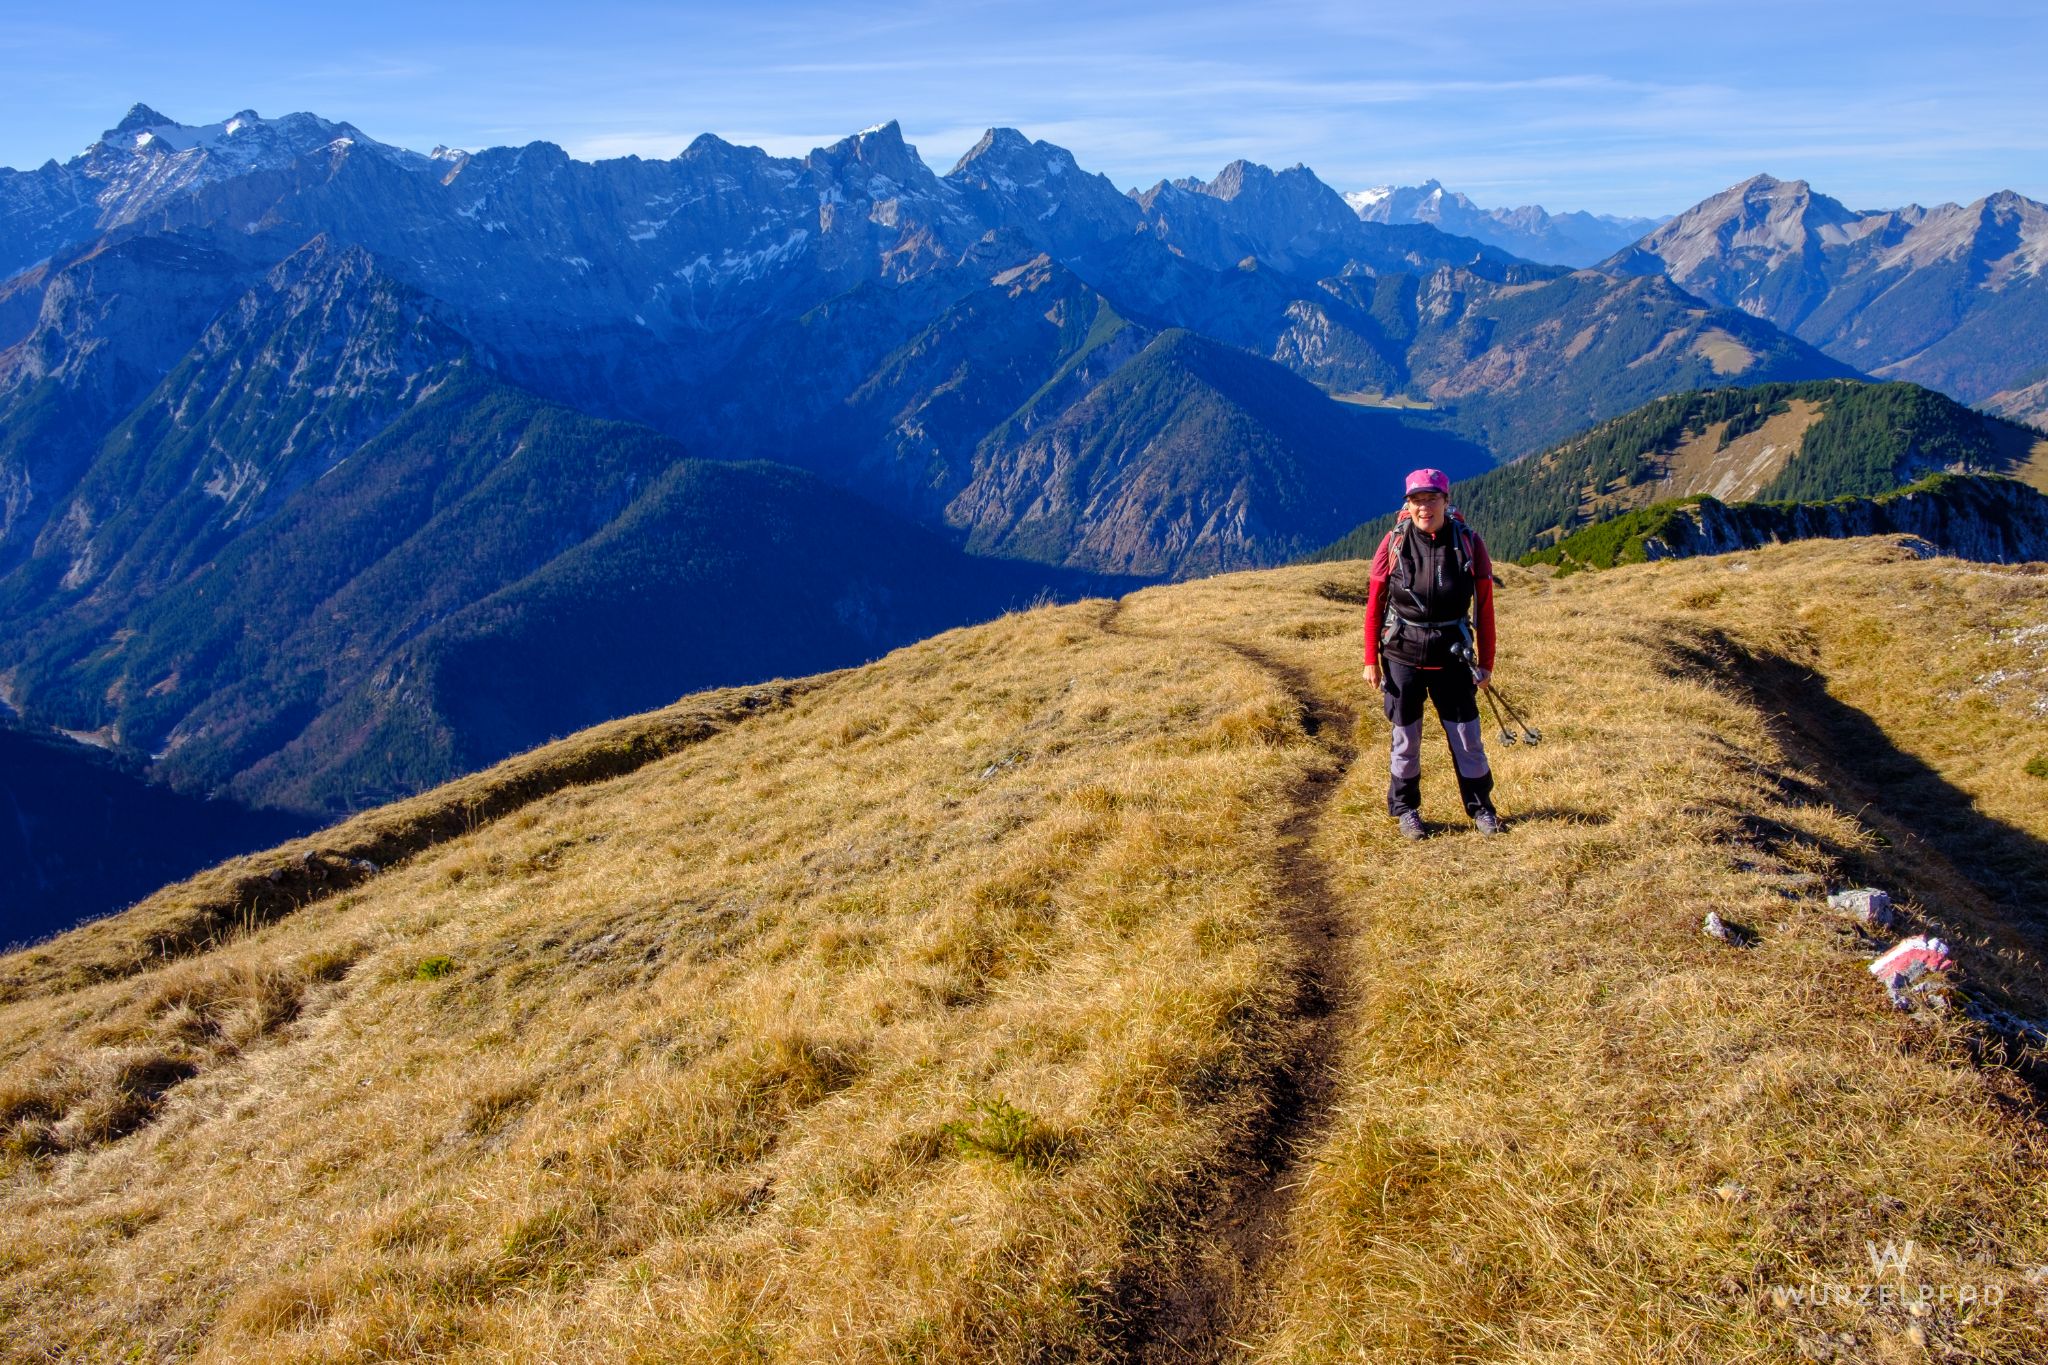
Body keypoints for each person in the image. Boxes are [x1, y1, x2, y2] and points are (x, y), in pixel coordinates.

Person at [1361, 468, 1503, 839]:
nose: (1425, 507)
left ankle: (1482, 809)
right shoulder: (1393, 543)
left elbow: (1484, 609)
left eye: (1432, 498)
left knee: (1467, 736)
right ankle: (1406, 809)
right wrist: (1370, 660)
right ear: (1407, 505)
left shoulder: (1469, 543)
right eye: (1417, 500)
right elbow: (1375, 604)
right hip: (1401, 655)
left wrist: (1485, 663)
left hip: (1453, 657)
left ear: (1446, 500)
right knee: (1405, 738)